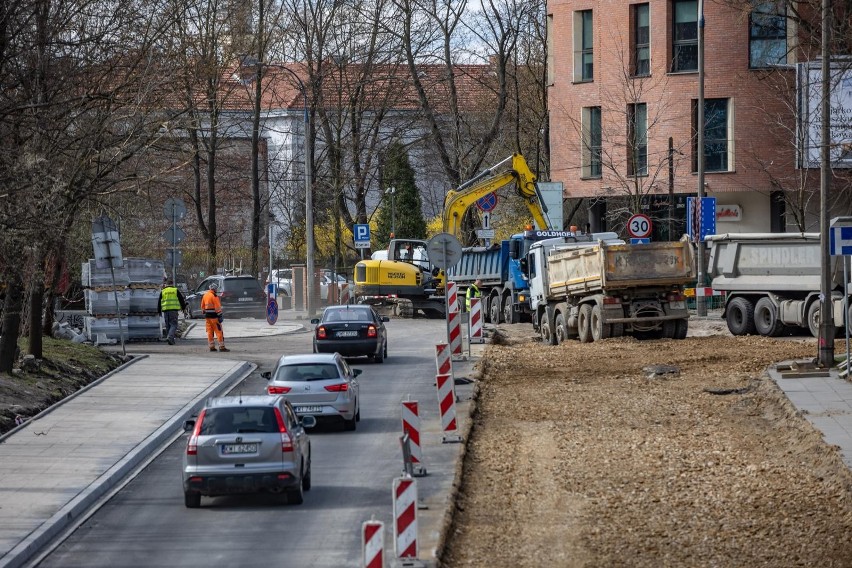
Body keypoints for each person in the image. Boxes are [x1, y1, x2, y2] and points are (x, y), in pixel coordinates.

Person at [200, 282, 229, 352]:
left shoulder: (205, 295)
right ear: (214, 289)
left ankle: (211, 346)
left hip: (207, 317)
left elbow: (202, 306)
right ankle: (221, 347)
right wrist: (220, 316)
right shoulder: (214, 296)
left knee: (210, 332)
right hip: (214, 317)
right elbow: (217, 307)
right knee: (219, 331)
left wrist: (205, 312)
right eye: (216, 289)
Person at [158, 279, 188, 345]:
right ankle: (170, 337)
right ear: (172, 284)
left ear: (166, 284)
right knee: (174, 324)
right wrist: (183, 308)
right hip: (173, 310)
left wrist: (159, 311)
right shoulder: (175, 290)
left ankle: (170, 340)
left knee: (168, 325)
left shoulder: (163, 291)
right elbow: (181, 299)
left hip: (165, 311)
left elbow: (159, 301)